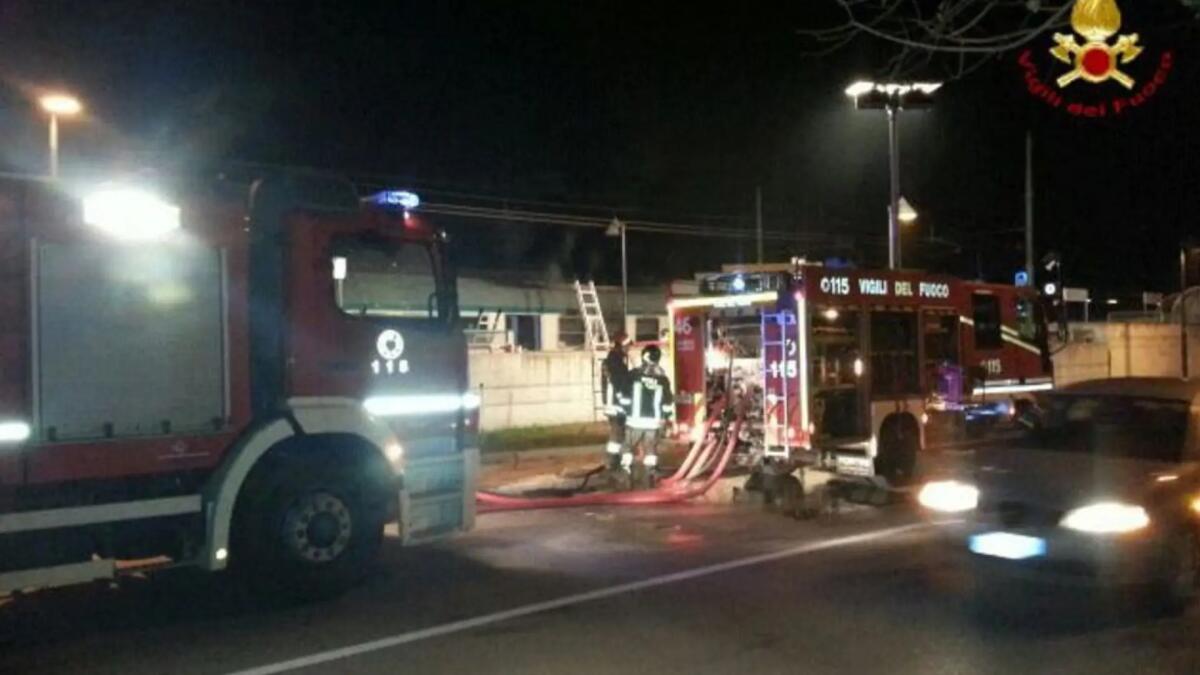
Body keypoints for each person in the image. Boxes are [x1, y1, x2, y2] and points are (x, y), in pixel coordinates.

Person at [621, 344, 674, 487]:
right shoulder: (663, 379)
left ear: (644, 356)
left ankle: (627, 473)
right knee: (651, 451)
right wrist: (666, 418)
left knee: (627, 448)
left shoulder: (634, 375)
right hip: (653, 423)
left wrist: (625, 411)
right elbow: (668, 403)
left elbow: (624, 397)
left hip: (634, 422)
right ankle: (650, 475)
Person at [601, 332, 632, 472]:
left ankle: (614, 461)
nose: (629, 350)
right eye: (627, 347)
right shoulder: (616, 363)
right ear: (622, 346)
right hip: (616, 405)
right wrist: (625, 402)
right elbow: (619, 384)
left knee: (617, 433)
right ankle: (612, 462)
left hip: (612, 404)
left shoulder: (613, 360)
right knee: (617, 433)